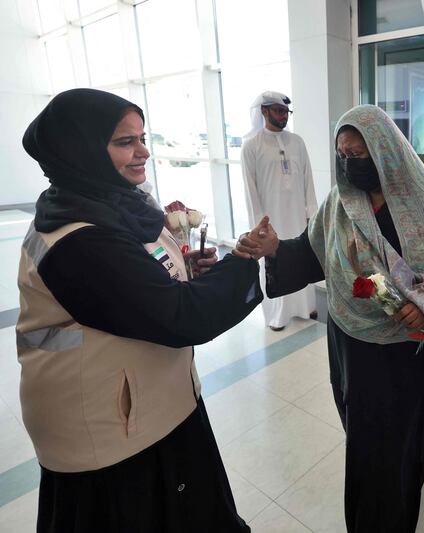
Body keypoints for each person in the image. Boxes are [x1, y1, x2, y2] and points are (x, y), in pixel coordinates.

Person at [18, 88, 265, 532]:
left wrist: (183, 269)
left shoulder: (107, 205)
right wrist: (245, 264)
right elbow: (179, 316)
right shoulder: (79, 238)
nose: (144, 152)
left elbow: (130, 284)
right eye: (124, 141)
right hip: (108, 426)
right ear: (82, 149)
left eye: (142, 137)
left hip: (147, 400)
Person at [235, 105, 424, 532]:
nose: (349, 162)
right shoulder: (340, 201)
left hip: (405, 347)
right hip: (350, 340)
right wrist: (276, 247)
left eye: (359, 153)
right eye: (342, 153)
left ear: (385, 151)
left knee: (393, 438)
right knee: (363, 424)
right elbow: (316, 253)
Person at [241, 90, 317, 331]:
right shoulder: (251, 146)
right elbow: (249, 188)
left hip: (297, 215)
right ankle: (278, 316)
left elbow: (308, 179)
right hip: (270, 219)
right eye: (279, 110)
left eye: (286, 111)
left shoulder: (297, 141)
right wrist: (258, 224)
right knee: (274, 261)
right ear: (264, 111)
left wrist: (311, 212)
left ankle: (305, 307)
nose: (284, 116)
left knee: (301, 255)